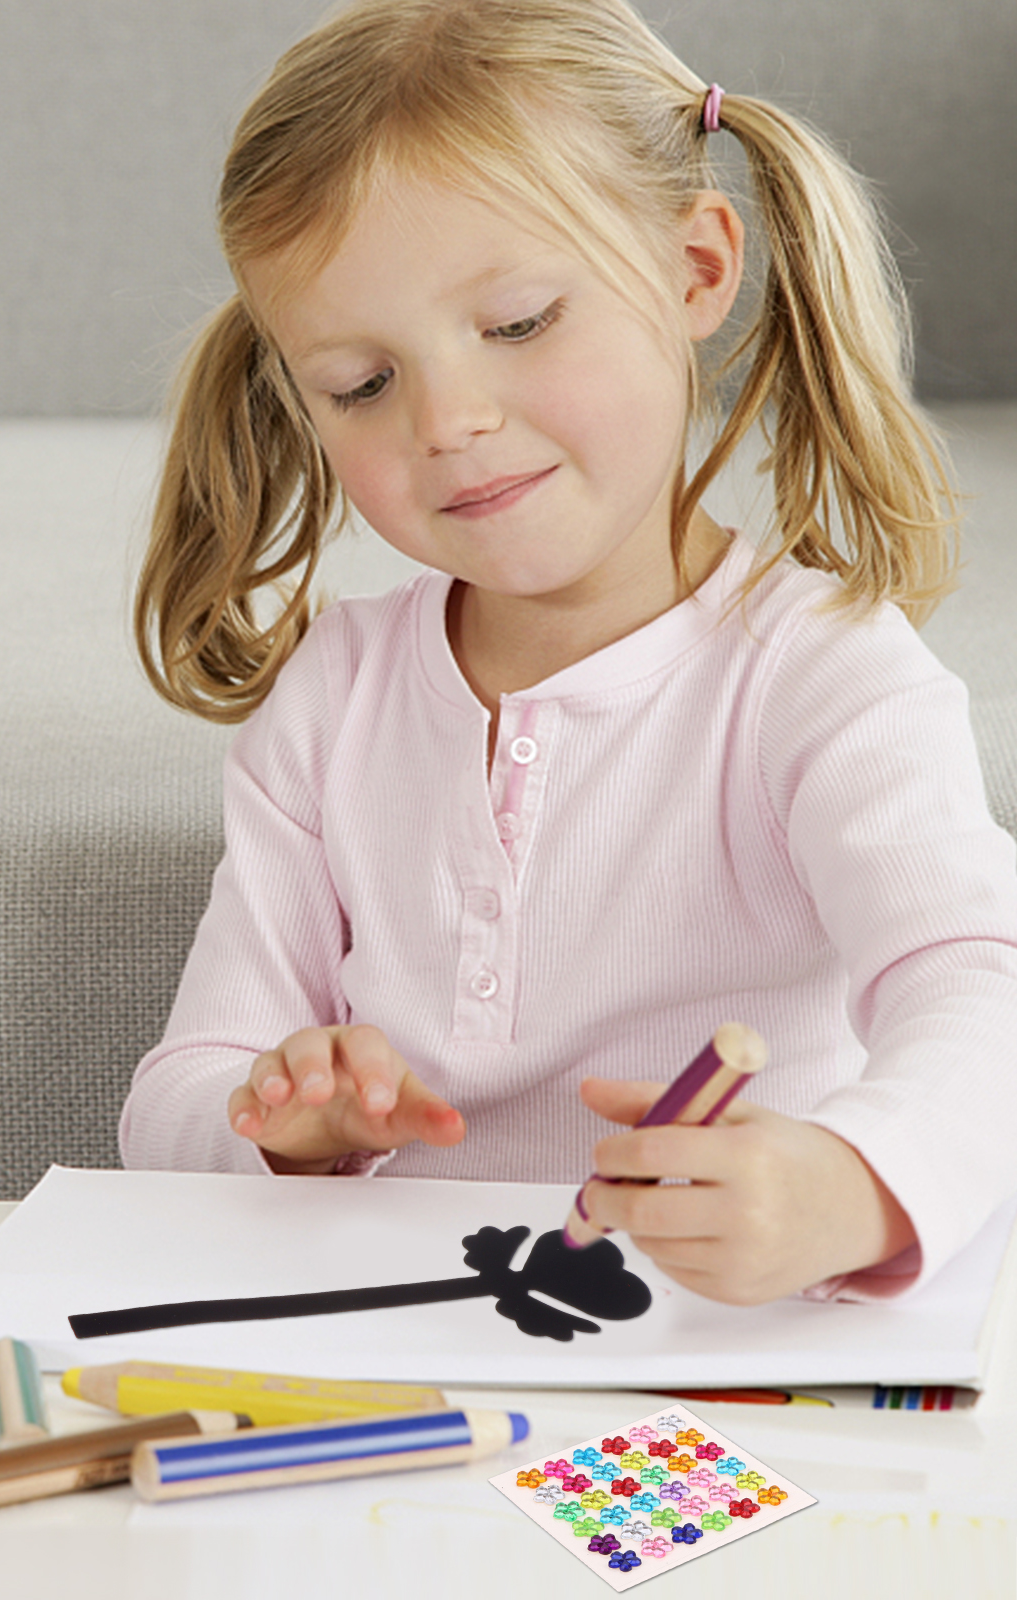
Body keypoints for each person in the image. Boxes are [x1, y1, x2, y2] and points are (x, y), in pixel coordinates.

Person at [120, 0, 1017, 1305]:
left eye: (521, 321)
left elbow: (982, 985)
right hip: (413, 1352)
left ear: (695, 269)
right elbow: (176, 1099)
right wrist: (276, 1126)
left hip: (726, 1349)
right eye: (362, 384)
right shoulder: (334, 700)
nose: (449, 422)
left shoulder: (822, 676)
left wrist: (854, 1183)